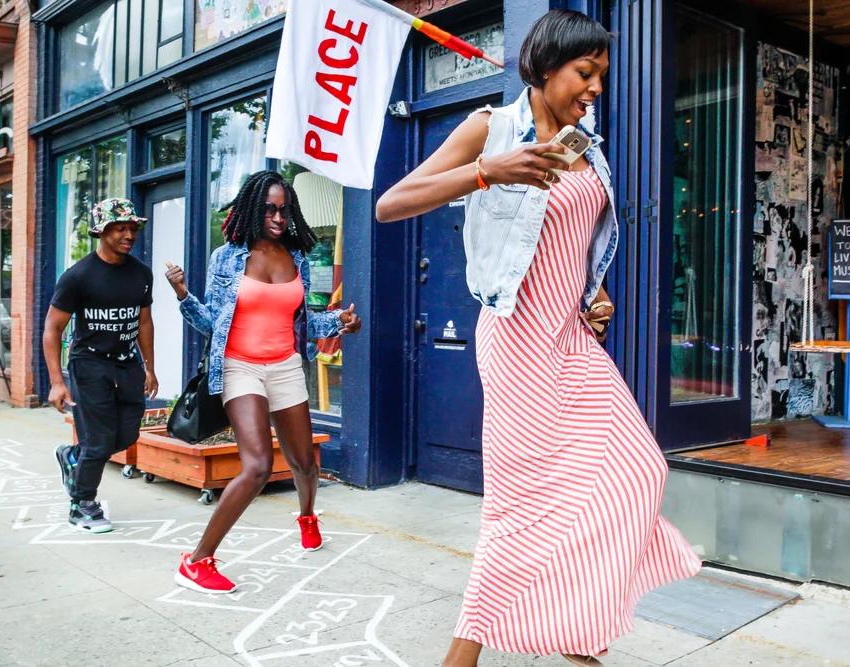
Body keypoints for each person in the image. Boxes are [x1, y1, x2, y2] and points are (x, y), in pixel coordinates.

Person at [376, 10, 701, 667]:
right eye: (586, 72)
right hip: (518, 336)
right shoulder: (489, 129)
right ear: (548, 65)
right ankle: (469, 656)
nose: (595, 87)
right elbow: (392, 203)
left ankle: (575, 626)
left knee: (638, 469)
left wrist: (594, 293)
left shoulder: (587, 144)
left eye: (602, 76)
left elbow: (573, 245)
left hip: (572, 335)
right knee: (520, 506)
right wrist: (490, 171)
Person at [165, 170, 361, 594]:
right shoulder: (229, 257)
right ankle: (197, 561)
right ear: (255, 207)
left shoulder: (298, 257)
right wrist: (183, 295)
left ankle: (307, 515)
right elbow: (213, 324)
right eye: (270, 208)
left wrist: (341, 323)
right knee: (255, 466)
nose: (277, 217)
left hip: (286, 365)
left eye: (284, 209)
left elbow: (303, 322)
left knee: (305, 463)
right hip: (240, 367)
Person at [46, 198, 159, 534]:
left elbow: (145, 322)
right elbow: (52, 330)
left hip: (128, 364)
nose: (129, 234)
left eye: (133, 228)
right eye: (120, 228)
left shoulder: (141, 273)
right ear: (102, 231)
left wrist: (150, 367)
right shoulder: (79, 276)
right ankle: (82, 504)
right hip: (90, 362)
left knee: (126, 435)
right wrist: (56, 382)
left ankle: (72, 457)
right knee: (98, 441)